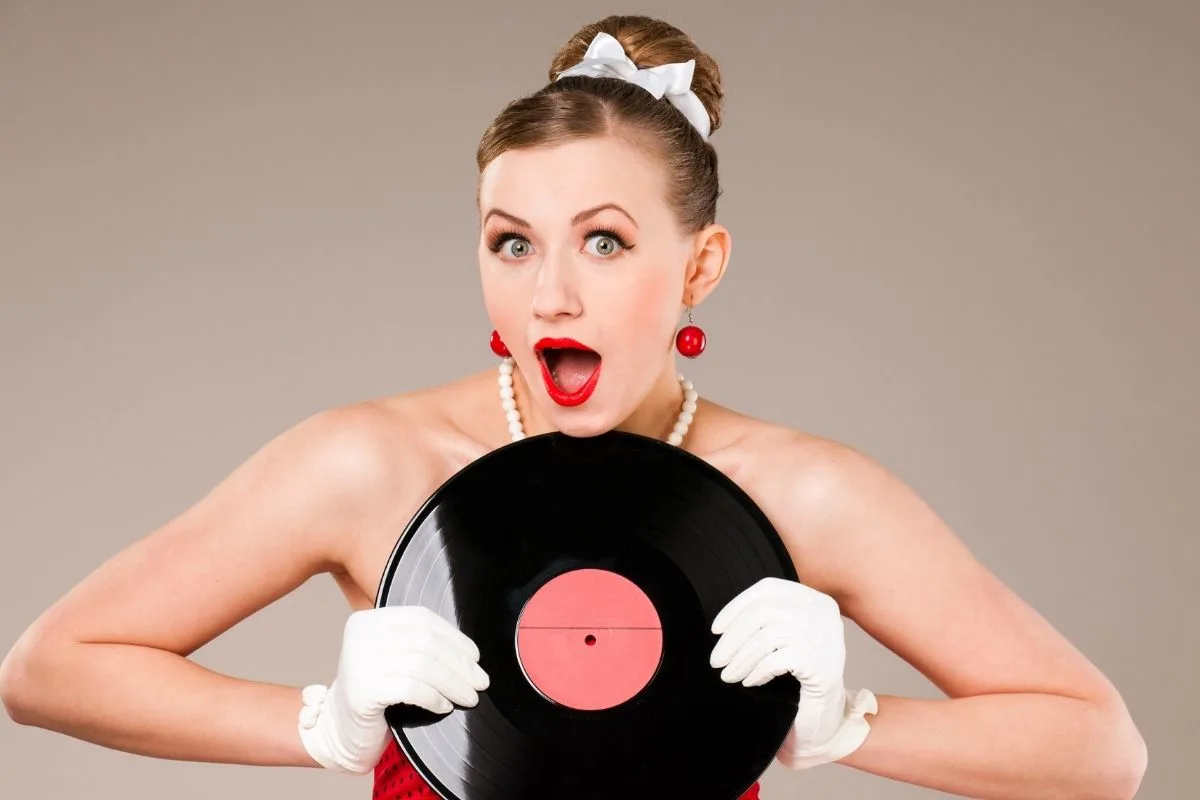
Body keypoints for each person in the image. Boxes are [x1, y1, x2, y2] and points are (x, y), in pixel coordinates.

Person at [0, 14, 1146, 800]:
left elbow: (1103, 748)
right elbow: (49, 667)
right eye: (512, 241)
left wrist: (853, 725)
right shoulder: (376, 464)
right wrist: (322, 722)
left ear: (701, 267)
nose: (549, 290)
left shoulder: (803, 494)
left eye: (605, 239)